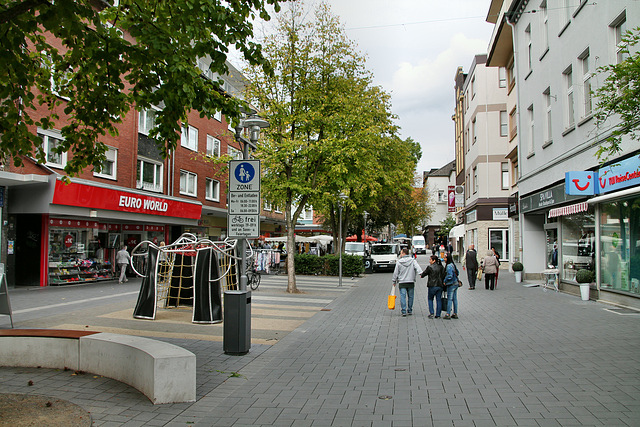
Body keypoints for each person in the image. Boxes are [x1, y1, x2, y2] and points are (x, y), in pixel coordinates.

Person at [392, 247, 423, 317]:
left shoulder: (399, 262)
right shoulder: (413, 261)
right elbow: (418, 268)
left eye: (400, 253)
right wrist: (421, 273)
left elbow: (395, 272)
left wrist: (394, 280)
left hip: (402, 282)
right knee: (411, 296)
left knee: (403, 296)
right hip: (411, 281)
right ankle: (409, 310)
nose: (400, 254)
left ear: (403, 253)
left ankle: (403, 310)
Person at [421, 254, 445, 319]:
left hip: (432, 285)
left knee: (430, 299)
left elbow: (424, 274)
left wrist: (421, 275)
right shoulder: (441, 267)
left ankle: (431, 313)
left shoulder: (430, 267)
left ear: (434, 260)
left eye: (430, 259)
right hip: (439, 285)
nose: (429, 261)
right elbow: (444, 275)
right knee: (439, 300)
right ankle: (438, 314)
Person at [442, 253, 460, 319]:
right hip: (456, 283)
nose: (444, 259)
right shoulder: (453, 265)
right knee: (454, 299)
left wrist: (445, 281)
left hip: (451, 284)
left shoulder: (449, 266)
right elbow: (457, 272)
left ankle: (448, 313)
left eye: (445, 258)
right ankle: (455, 313)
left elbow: (450, 275)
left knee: (449, 299)